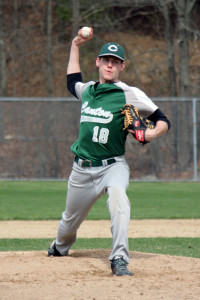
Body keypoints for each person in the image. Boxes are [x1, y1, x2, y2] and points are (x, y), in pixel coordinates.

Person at [48, 27, 171, 276]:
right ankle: (60, 247)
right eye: (106, 60)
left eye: (115, 62)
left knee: (118, 200)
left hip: (112, 166)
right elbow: (72, 81)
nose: (110, 65)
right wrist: (75, 45)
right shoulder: (89, 91)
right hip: (82, 169)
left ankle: (119, 258)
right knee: (68, 224)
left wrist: (152, 133)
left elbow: (162, 119)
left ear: (121, 67)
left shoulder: (129, 94)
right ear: (98, 62)